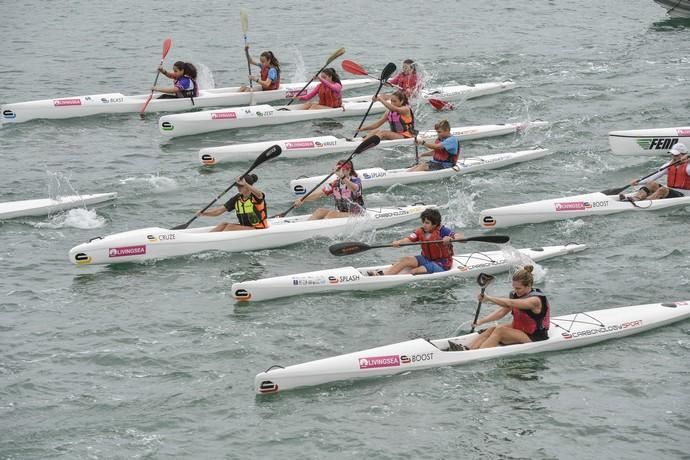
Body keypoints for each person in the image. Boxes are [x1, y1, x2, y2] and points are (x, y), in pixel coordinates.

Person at [451, 265, 550, 351]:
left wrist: (488, 298)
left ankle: (477, 353)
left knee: (500, 331)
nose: (515, 291)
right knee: (492, 329)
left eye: (518, 288)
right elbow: (502, 312)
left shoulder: (535, 300)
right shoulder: (516, 294)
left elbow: (510, 302)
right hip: (520, 329)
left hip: (535, 336)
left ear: (529, 285)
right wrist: (481, 321)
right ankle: (468, 348)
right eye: (514, 287)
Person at [370, 208, 459, 276]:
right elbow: (408, 240)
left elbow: (459, 237)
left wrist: (451, 238)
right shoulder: (420, 231)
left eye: (427, 223)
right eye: (423, 222)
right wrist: (398, 242)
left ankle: (406, 273)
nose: (424, 225)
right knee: (405, 260)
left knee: (415, 271)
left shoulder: (443, 231)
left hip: (442, 264)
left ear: (435, 224)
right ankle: (384, 275)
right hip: (426, 259)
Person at [293, 159, 364, 219]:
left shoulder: (356, 181)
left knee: (332, 214)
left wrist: (342, 177)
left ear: (349, 170)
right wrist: (302, 199)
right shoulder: (335, 184)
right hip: (343, 213)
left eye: (343, 170)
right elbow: (318, 194)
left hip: (357, 215)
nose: (341, 172)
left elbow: (354, 189)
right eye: (339, 170)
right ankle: (306, 226)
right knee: (320, 211)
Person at [619, 143, 690, 201]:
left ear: (685, 155)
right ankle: (636, 198)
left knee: (663, 190)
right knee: (652, 184)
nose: (674, 157)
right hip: (671, 192)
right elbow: (653, 177)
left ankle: (644, 202)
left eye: (676, 155)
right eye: (673, 154)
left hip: (684, 195)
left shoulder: (688, 167)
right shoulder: (669, 165)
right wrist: (638, 182)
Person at [197, 174, 268, 231]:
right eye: (237, 186)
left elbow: (260, 195)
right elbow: (219, 211)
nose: (238, 188)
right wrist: (204, 213)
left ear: (248, 186)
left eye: (241, 186)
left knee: (230, 227)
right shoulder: (237, 198)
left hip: (259, 229)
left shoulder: (255, 197)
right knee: (223, 225)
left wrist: (245, 184)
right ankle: (208, 238)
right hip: (246, 228)